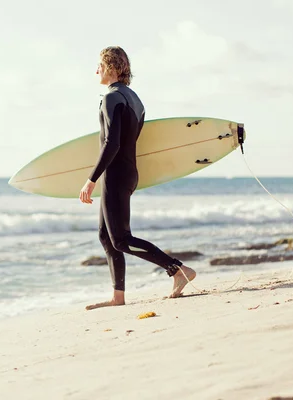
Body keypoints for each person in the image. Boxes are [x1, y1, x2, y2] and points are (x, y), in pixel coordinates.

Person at [79, 46, 196, 310]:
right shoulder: (135, 100)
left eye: (99, 65)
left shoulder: (111, 98)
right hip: (129, 172)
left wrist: (91, 179)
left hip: (116, 174)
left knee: (121, 239)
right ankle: (118, 297)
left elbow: (112, 143)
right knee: (106, 237)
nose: (95, 70)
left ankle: (177, 269)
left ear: (110, 67)